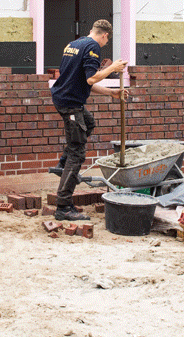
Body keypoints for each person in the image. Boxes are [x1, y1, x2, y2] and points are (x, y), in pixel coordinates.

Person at [51, 19, 128, 221]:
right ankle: (63, 207)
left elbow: (84, 82)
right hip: (71, 104)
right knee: (77, 153)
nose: (105, 43)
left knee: (89, 123)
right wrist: (113, 68)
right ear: (104, 35)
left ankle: (62, 164)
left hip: (65, 98)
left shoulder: (74, 44)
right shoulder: (93, 47)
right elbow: (92, 78)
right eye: (106, 40)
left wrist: (111, 93)